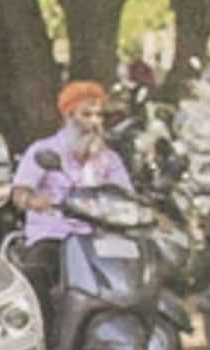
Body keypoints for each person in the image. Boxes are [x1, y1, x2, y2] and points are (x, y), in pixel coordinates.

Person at [8, 80, 135, 313]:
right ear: (68, 116)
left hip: (97, 236)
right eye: (87, 114)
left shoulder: (109, 158)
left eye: (99, 115)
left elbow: (125, 194)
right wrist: (34, 201)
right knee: (36, 273)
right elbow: (19, 193)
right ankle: (46, 340)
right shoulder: (43, 150)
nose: (95, 122)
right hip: (55, 234)